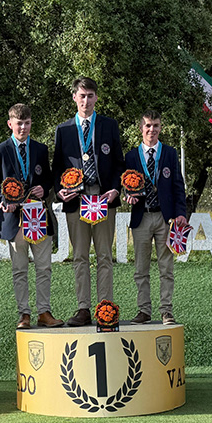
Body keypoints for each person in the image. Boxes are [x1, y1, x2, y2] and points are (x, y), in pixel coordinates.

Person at [52, 76, 125, 326]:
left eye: (90, 96)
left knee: (104, 255)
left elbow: (118, 163)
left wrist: (115, 189)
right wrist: (60, 191)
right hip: (77, 199)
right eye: (82, 96)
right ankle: (83, 308)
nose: (86, 101)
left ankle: (105, 309)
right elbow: (57, 168)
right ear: (74, 97)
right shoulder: (63, 130)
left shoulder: (109, 125)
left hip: (103, 197)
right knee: (80, 256)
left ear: (96, 98)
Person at [0, 104, 63, 330]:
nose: (23, 127)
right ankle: (24, 314)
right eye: (19, 123)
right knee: (20, 269)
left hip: (38, 216)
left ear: (31, 124)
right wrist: (3, 199)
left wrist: (44, 188)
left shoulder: (40, 149)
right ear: (10, 124)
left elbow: (49, 179)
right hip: (14, 220)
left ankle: (44, 312)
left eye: (27, 123)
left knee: (44, 268)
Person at [124, 110, 187, 325]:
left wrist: (181, 213)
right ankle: (144, 310)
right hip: (141, 217)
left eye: (156, 125)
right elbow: (126, 185)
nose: (152, 130)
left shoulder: (169, 153)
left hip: (165, 218)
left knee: (166, 267)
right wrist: (127, 196)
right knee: (141, 269)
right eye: (148, 126)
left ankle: (166, 310)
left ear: (161, 128)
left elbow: (178, 185)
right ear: (141, 128)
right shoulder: (131, 156)